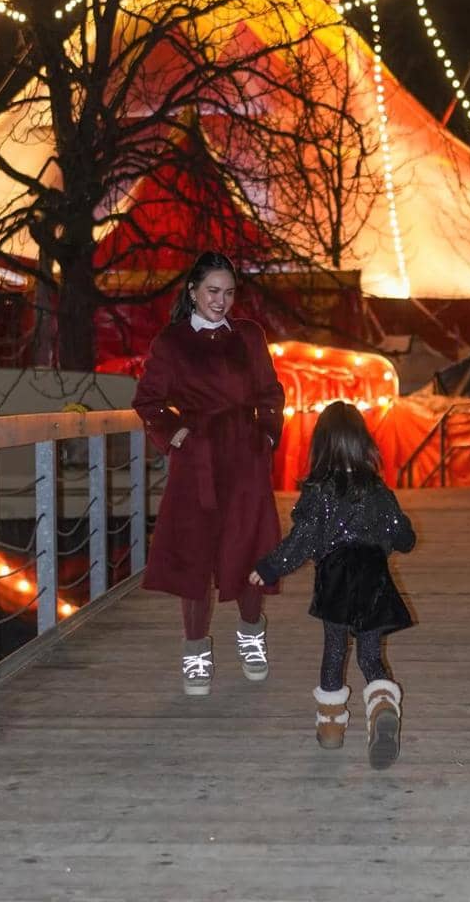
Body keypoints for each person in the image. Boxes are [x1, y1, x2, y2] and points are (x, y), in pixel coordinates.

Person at [133, 250, 285, 697]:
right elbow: (148, 401)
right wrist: (174, 432)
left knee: (252, 547)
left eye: (229, 293)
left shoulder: (250, 337)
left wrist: (268, 436)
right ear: (193, 291)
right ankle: (195, 649)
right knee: (195, 552)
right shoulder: (172, 342)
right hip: (197, 460)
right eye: (213, 291)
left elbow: (271, 393)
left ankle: (251, 632)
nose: (221, 301)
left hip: (245, 457)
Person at [249, 400, 415, 769]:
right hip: (373, 575)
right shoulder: (377, 490)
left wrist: (270, 566)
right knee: (371, 656)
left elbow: (303, 539)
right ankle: (383, 706)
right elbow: (402, 535)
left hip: (336, 577)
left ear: (321, 446)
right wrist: (397, 535)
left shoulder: (319, 492)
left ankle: (330, 729)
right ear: (363, 442)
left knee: (335, 652)